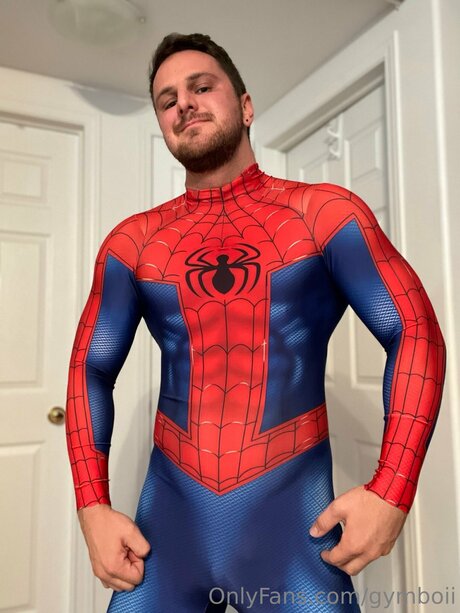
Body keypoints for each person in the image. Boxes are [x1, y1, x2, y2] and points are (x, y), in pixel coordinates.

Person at [65, 33, 446, 613]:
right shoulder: (132, 243)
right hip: (168, 534)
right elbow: (90, 367)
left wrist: (392, 489)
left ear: (245, 106)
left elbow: (413, 329)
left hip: (291, 532)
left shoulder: (323, 213)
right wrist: (92, 506)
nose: (184, 103)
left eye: (201, 87)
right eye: (167, 100)